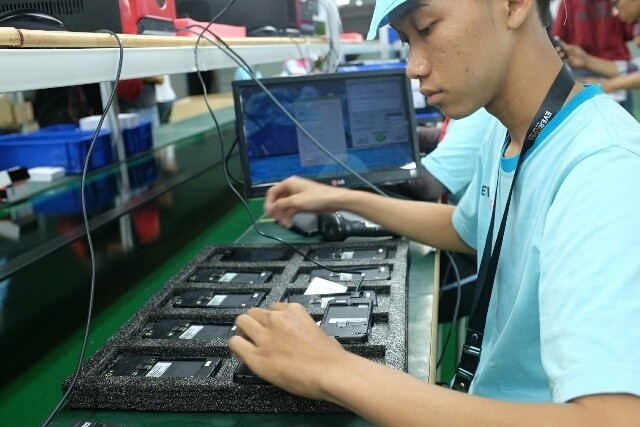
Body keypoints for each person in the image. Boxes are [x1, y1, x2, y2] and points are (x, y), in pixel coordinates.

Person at [229, 0, 640, 424]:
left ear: (514, 5)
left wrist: (331, 370)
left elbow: (614, 418)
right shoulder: (510, 132)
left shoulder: (604, 168)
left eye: (426, 28)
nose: (414, 66)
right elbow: (466, 229)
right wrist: (339, 199)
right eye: (407, 41)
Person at [551, 0, 636, 112]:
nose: (615, 12)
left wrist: (607, 85)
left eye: (616, 3)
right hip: (597, 70)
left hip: (614, 72)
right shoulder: (568, 3)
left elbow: (558, 38)